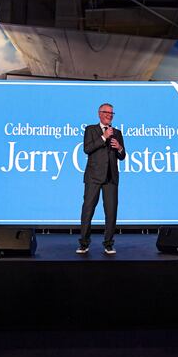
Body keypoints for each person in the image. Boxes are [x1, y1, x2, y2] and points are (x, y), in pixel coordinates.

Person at [77, 103, 126, 255]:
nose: (109, 115)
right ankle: (84, 243)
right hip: (93, 177)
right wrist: (103, 137)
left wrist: (119, 148)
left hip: (111, 178)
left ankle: (109, 244)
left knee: (111, 212)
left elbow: (122, 156)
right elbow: (87, 148)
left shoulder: (117, 132)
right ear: (99, 113)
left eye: (112, 113)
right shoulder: (91, 130)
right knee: (88, 210)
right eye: (106, 112)